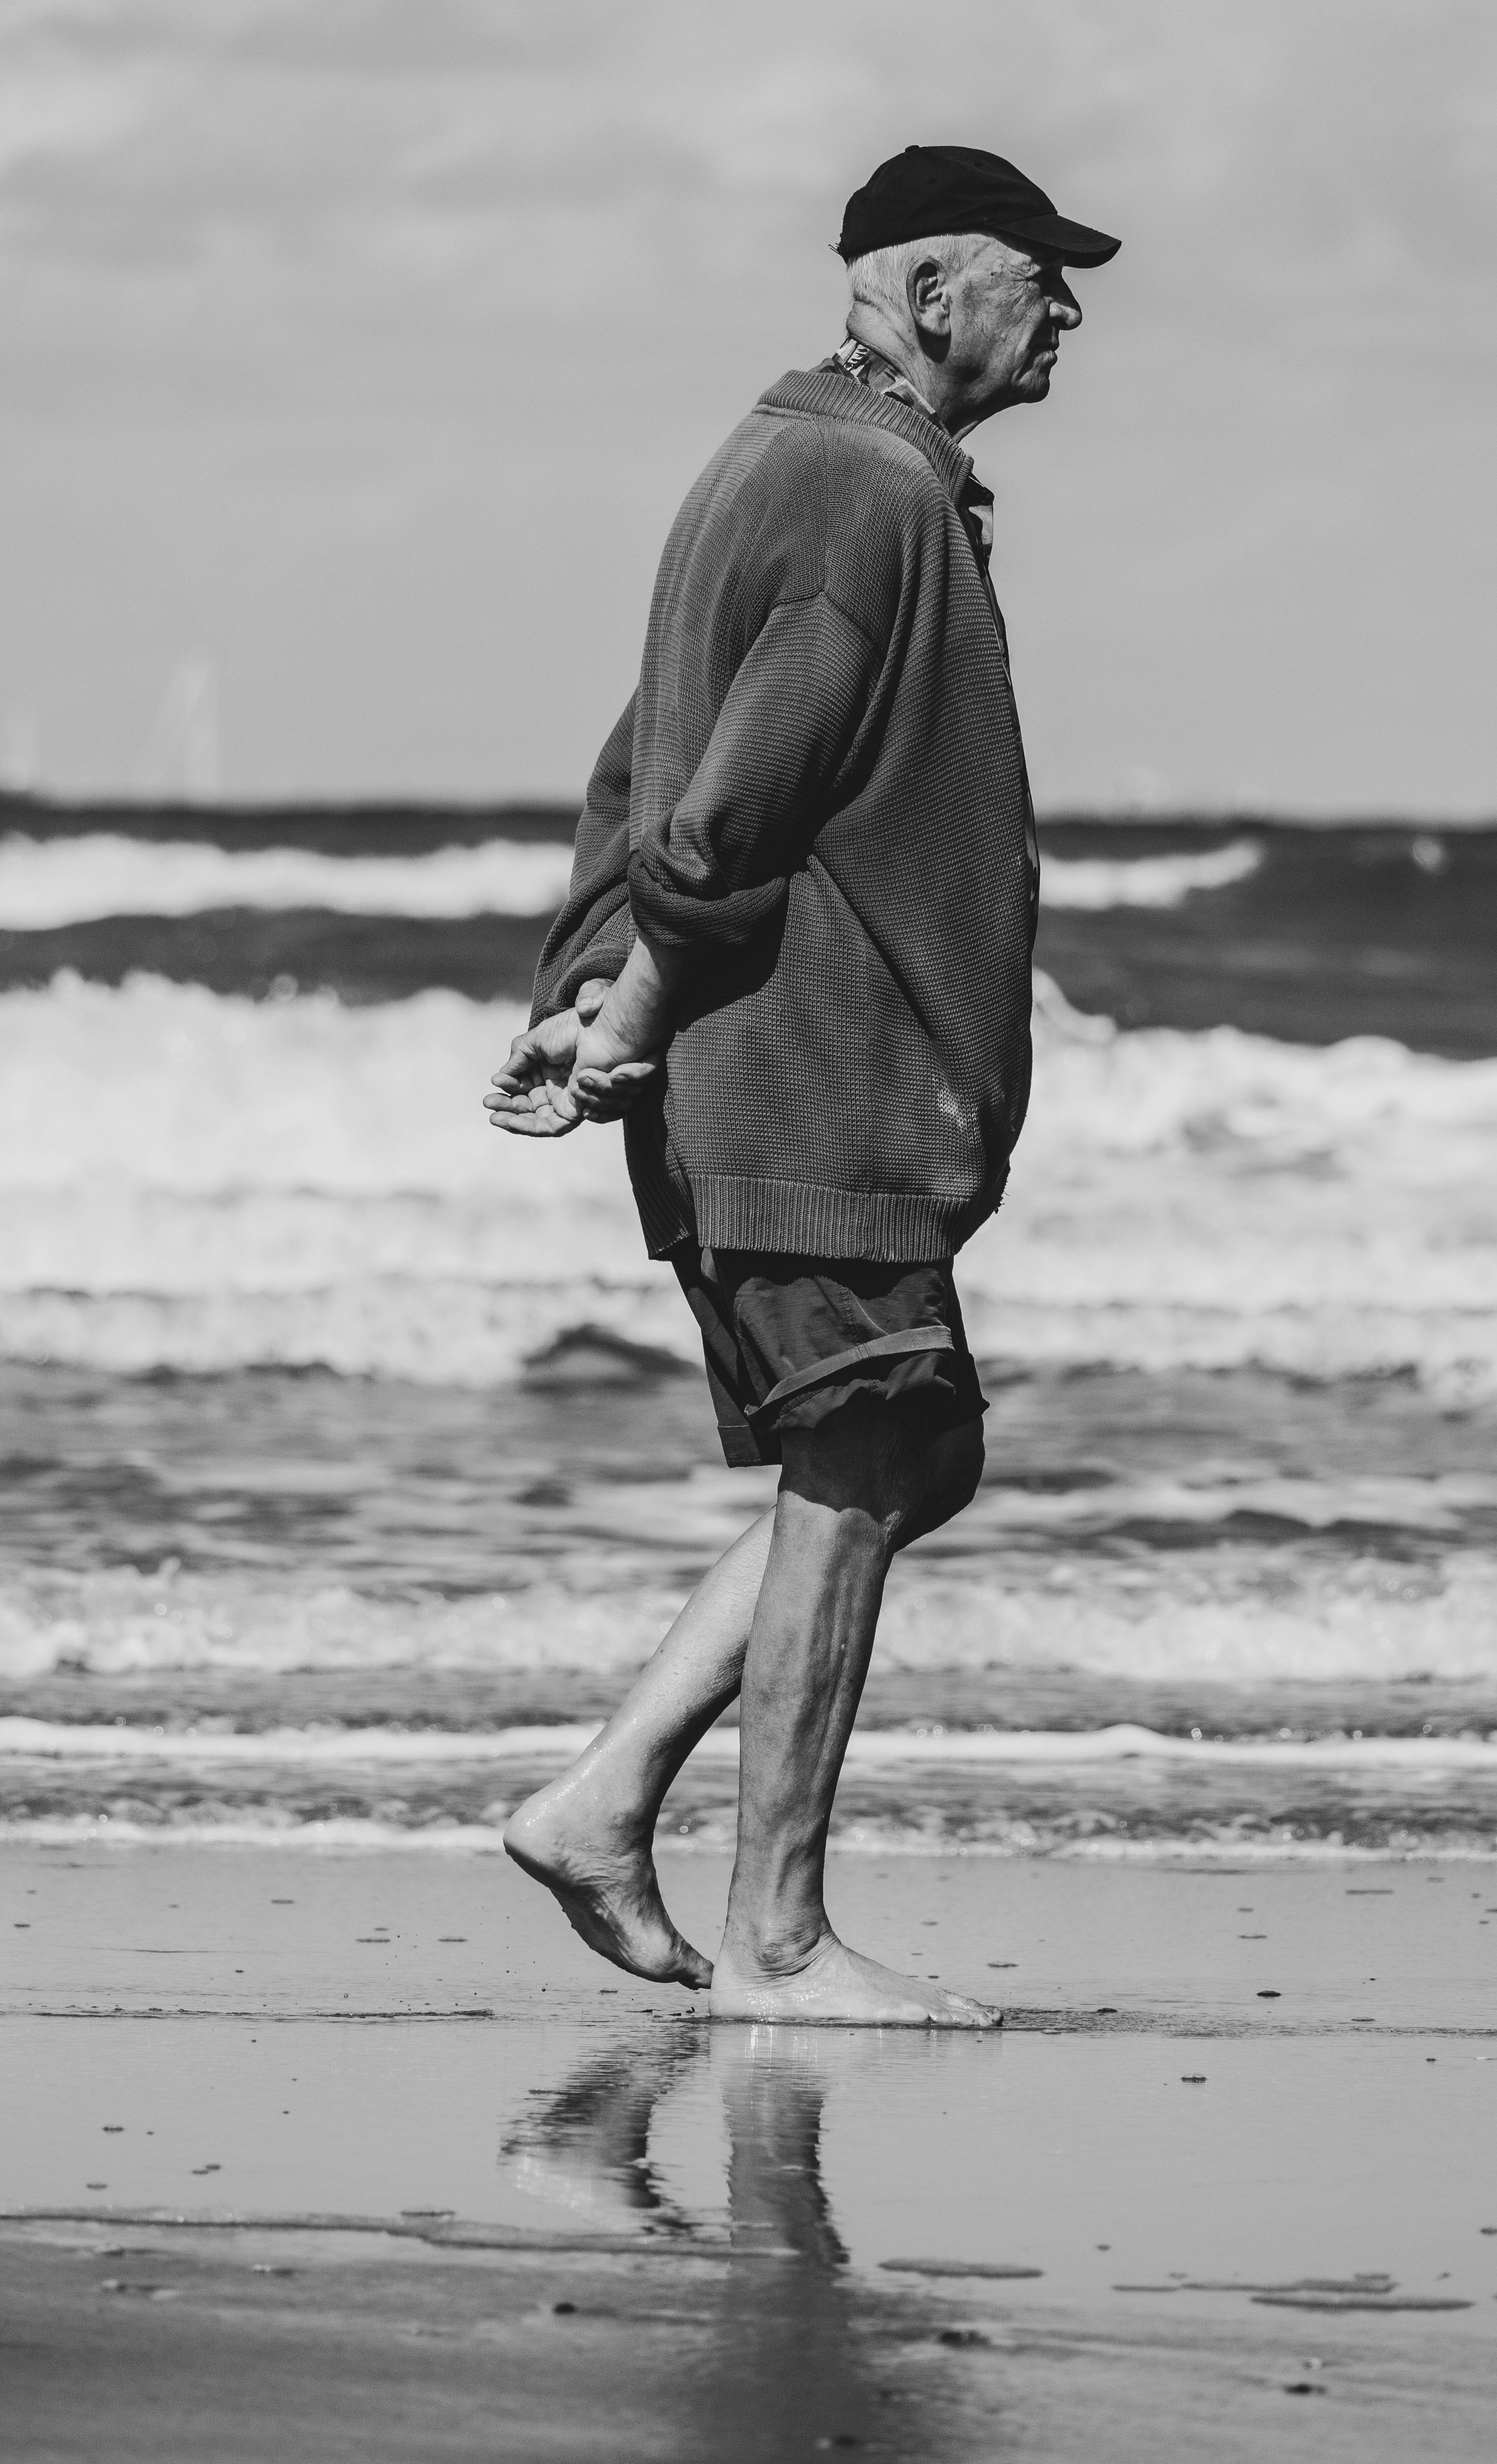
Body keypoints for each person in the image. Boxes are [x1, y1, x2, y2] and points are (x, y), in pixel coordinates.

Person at [485, 144, 1118, 2025]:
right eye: (1041, 279)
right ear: (935, 296)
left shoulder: (799, 461)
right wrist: (635, 1009)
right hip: (805, 1081)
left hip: (794, 1075)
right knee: (860, 1456)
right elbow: (726, 803)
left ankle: (604, 1801)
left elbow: (638, 759)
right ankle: (778, 1944)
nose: (1070, 311)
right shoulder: (861, 492)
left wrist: (591, 974)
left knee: (916, 1447)